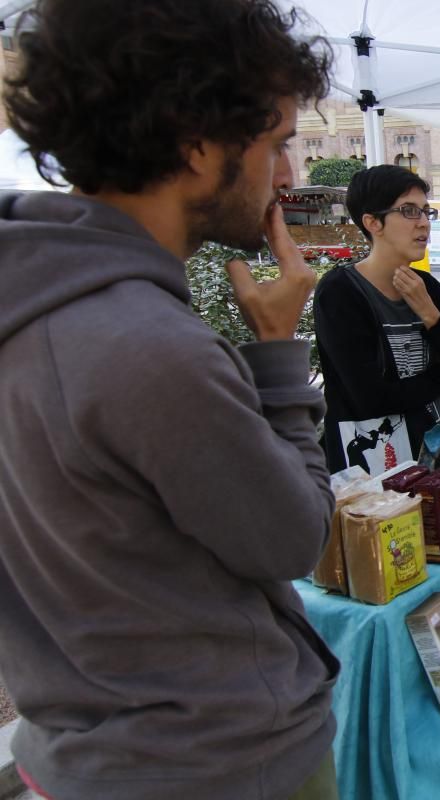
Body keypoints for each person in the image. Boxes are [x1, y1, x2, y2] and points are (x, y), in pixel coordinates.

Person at [0, 1, 340, 798]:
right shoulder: (148, 347)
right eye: (278, 144)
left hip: (81, 756)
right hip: (223, 763)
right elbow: (293, 537)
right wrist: (281, 360)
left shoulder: (35, 303)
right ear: (197, 144)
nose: (286, 178)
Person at [315, 165, 440, 474]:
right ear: (373, 222)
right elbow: (370, 398)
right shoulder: (339, 292)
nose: (423, 223)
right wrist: (438, 374)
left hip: (435, 456)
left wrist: (432, 317)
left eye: (425, 212)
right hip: (371, 464)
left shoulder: (427, 287)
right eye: (408, 211)